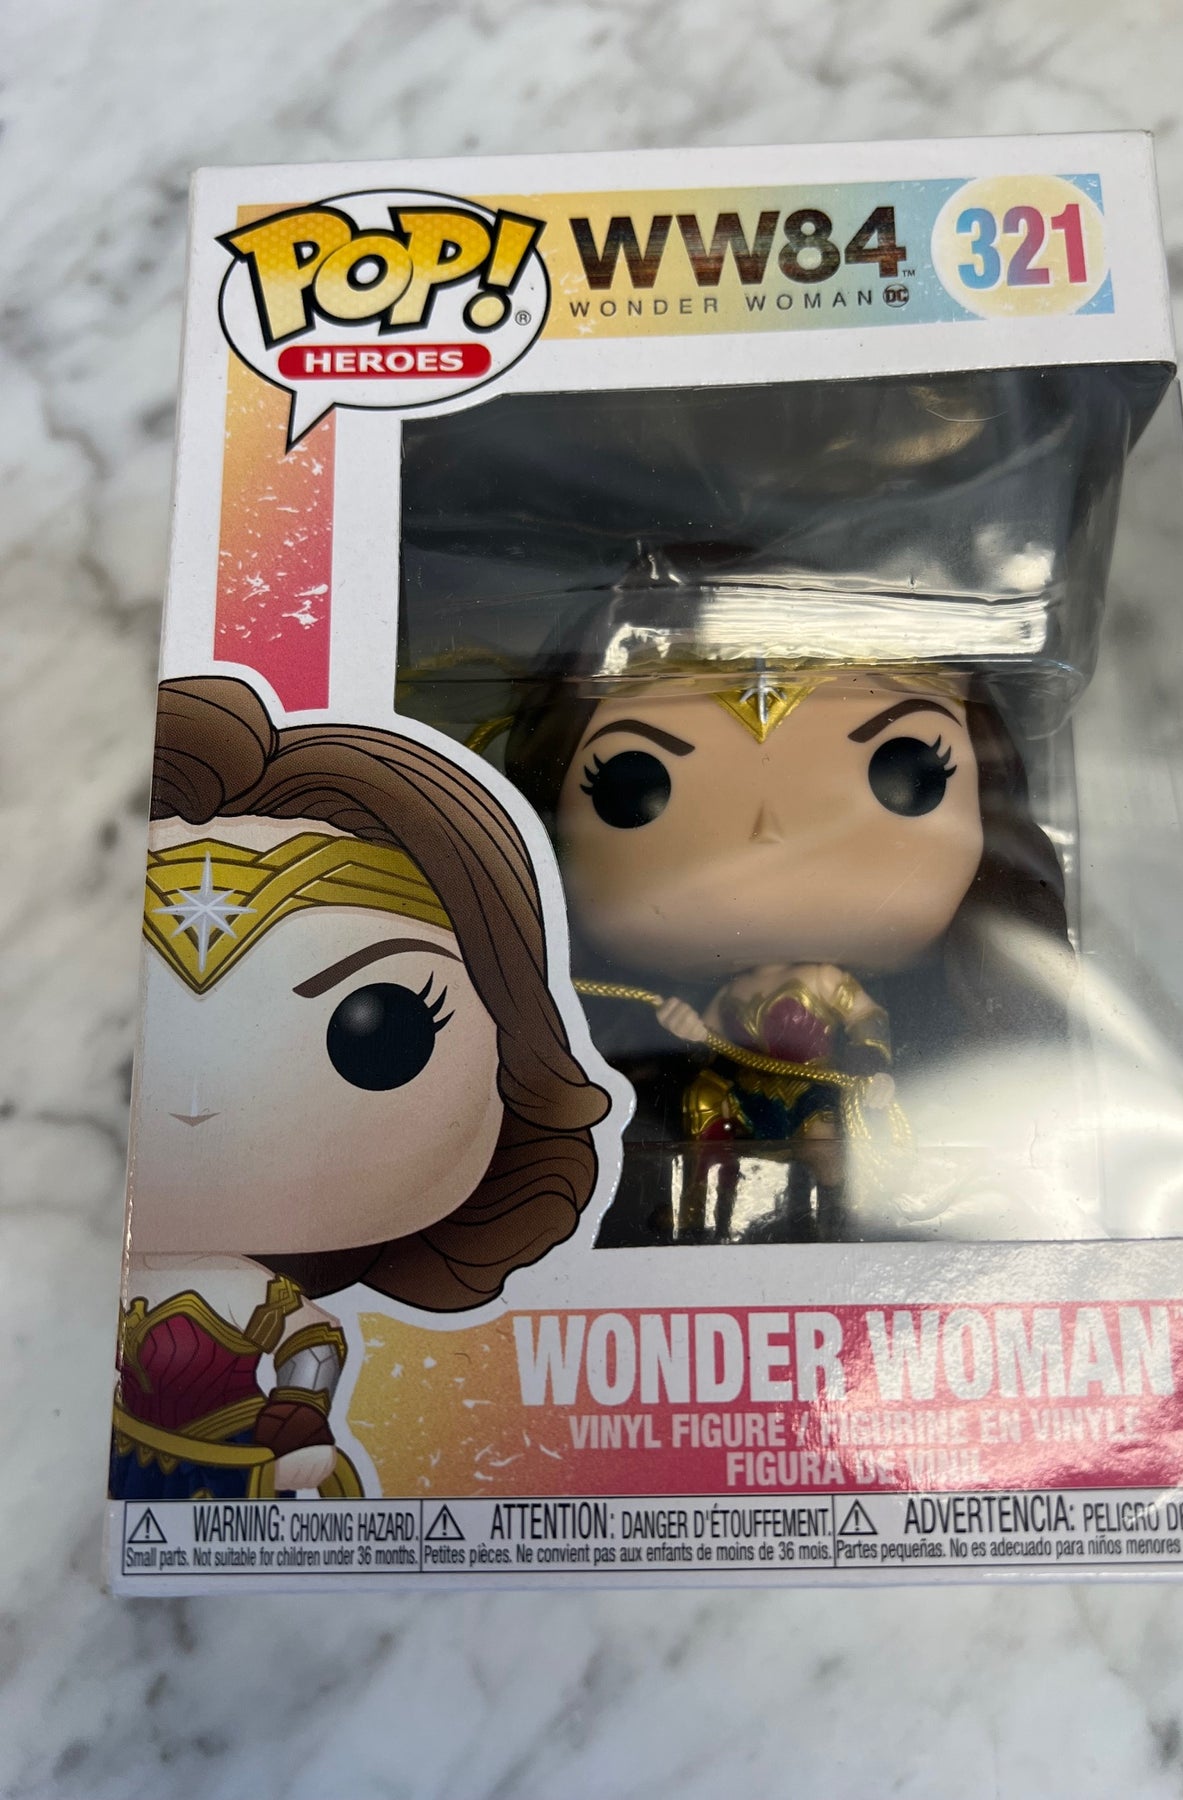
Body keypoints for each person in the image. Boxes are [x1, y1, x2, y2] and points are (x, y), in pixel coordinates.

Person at [112, 675, 612, 1501]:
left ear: (517, 1052)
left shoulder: (255, 1295)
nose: (195, 1103)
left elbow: (312, 1345)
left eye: (379, 1033)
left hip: (234, 1473)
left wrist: (300, 1419)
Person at [503, 560, 1072, 1244]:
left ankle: (836, 1208)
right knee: (704, 1118)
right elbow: (710, 1031)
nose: (767, 835)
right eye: (633, 784)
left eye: (906, 770)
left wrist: (871, 1061)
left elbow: (865, 1021)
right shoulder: (703, 1001)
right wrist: (686, 1027)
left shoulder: (841, 988)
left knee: (828, 1145)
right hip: (727, 1091)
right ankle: (702, 1206)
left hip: (825, 1093)